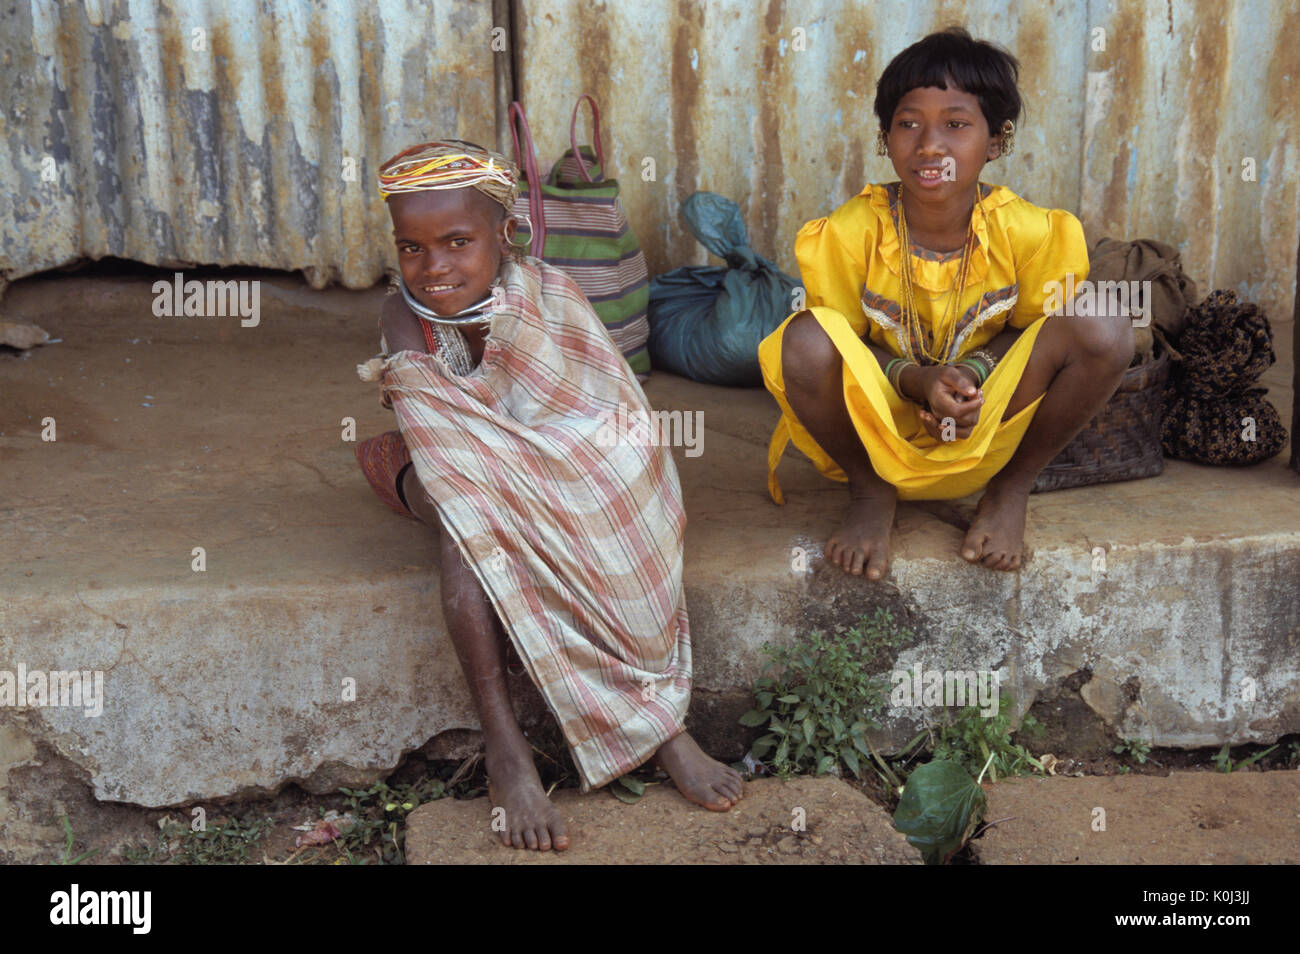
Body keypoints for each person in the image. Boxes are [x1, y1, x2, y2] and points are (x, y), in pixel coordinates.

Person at [355, 141, 742, 852]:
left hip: (540, 468)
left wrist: (570, 478)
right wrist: (519, 485)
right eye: (412, 247)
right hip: (447, 473)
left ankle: (659, 724)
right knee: (467, 516)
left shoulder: (550, 294)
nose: (433, 266)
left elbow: (608, 411)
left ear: (504, 237)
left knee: (625, 471)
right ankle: (505, 745)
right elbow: (447, 444)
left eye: (457, 242)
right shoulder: (404, 319)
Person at [759, 27, 1133, 577]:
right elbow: (846, 342)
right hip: (879, 420)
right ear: (885, 138)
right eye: (909, 124)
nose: (930, 144)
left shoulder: (1029, 233)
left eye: (956, 124)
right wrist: (917, 383)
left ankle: (1011, 491)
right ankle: (870, 492)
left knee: (1103, 324)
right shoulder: (850, 231)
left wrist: (969, 374)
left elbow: (1030, 335)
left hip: (986, 419)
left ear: (997, 141)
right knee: (805, 336)